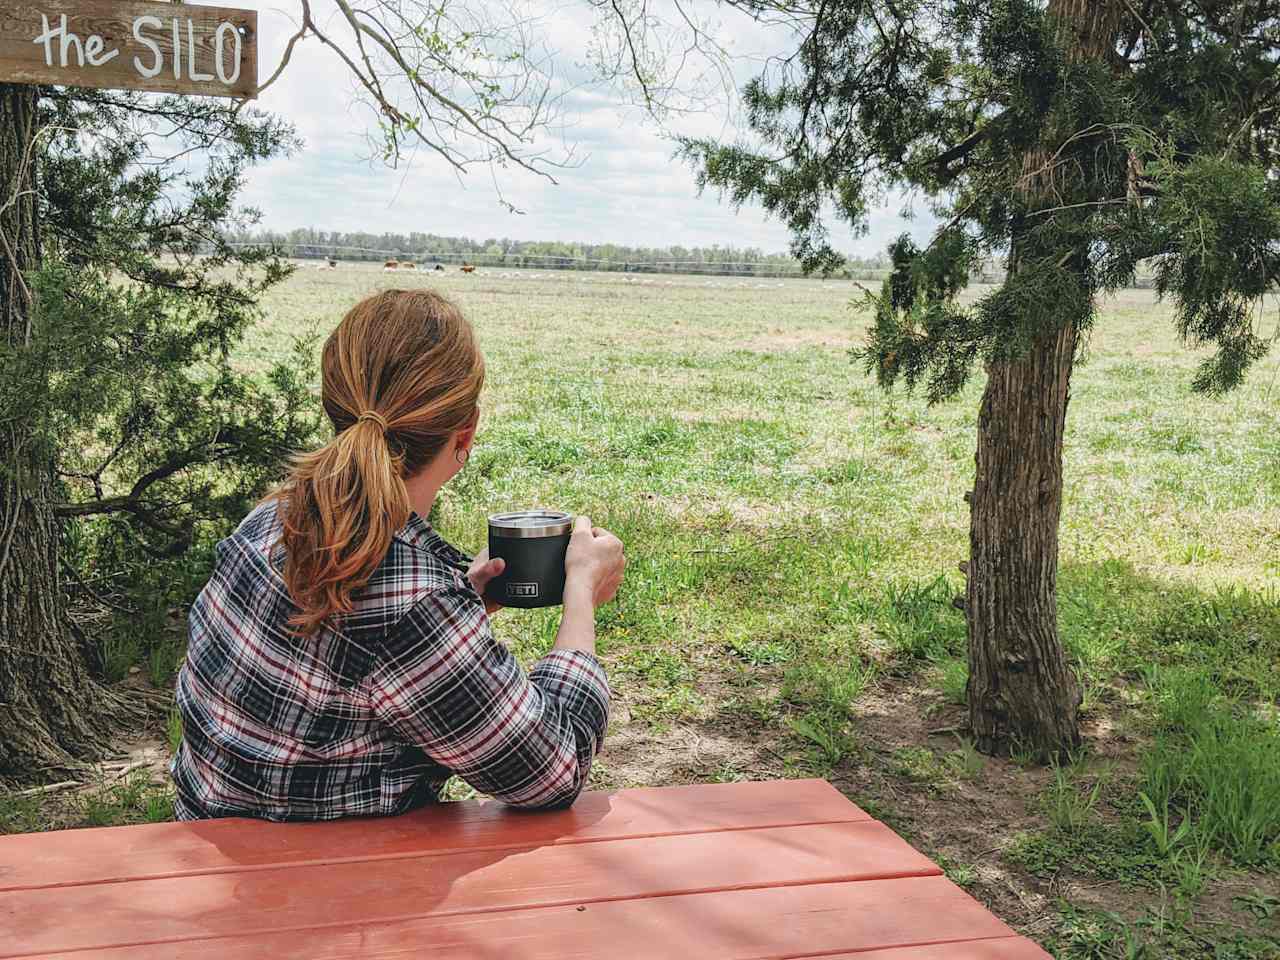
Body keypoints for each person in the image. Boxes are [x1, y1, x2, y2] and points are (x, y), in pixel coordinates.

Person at [170, 289, 625, 821]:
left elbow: (347, 655)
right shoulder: (414, 602)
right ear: (467, 432)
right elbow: (551, 771)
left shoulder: (273, 517)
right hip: (330, 889)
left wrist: (460, 606)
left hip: (213, 847)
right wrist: (580, 594)